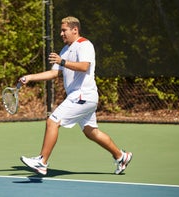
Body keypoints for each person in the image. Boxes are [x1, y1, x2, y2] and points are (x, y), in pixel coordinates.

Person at [19, 16, 132, 175]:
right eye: (61, 30)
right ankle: (121, 156)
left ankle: (42, 162)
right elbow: (53, 73)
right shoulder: (65, 50)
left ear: (75, 30)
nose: (61, 33)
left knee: (52, 121)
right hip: (82, 97)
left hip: (82, 95)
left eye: (64, 30)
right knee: (91, 131)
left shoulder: (84, 45)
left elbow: (84, 66)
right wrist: (30, 77)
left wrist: (63, 61)